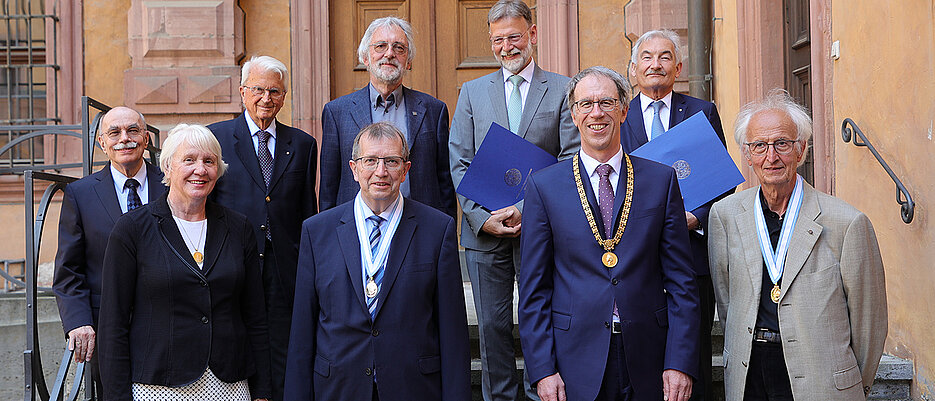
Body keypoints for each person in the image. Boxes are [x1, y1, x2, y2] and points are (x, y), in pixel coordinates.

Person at [518, 66, 700, 401]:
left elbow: (681, 283)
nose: (596, 113)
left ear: (624, 110)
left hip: (650, 356)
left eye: (606, 102)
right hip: (575, 359)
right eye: (586, 104)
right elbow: (534, 290)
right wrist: (542, 369)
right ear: (573, 115)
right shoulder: (544, 187)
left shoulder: (661, 181)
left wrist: (680, 361)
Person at [708, 90, 887, 400]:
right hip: (749, 372)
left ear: (801, 149)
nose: (771, 157)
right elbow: (727, 301)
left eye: (782, 144)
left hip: (821, 379)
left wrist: (849, 381)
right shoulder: (725, 216)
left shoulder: (847, 222)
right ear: (747, 155)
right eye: (759, 146)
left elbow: (868, 322)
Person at [448, 1, 579, 399]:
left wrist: (525, 210)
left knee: (541, 316)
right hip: (484, 234)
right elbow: (459, 160)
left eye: (515, 37)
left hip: (541, 229)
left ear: (533, 34)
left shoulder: (561, 90)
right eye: (498, 40)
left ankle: (542, 392)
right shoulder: (472, 92)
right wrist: (480, 217)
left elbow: (569, 158)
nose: (507, 47)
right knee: (491, 326)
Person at [284, 121, 470, 401]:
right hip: (338, 388)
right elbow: (302, 333)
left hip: (413, 388)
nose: (380, 172)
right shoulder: (316, 231)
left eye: (392, 161)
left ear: (406, 170)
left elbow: (453, 334)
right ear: (354, 168)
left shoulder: (437, 229)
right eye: (370, 161)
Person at [98, 123, 271, 401]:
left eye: (209, 161)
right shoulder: (132, 229)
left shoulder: (239, 228)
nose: (200, 170)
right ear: (167, 167)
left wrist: (262, 389)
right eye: (189, 160)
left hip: (229, 382)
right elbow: (113, 323)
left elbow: (255, 315)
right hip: (158, 386)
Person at [621, 29, 732, 401]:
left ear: (678, 66)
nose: (656, 64)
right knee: (641, 351)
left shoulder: (702, 112)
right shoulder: (618, 115)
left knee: (694, 349)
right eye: (647, 57)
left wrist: (696, 217)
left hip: (689, 252)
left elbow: (721, 178)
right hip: (631, 255)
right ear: (634, 68)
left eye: (665, 57)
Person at [207, 55, 318, 401]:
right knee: (241, 339)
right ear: (242, 91)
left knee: (284, 344)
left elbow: (306, 209)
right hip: (234, 260)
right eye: (258, 89)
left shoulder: (302, 144)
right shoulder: (216, 138)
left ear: (284, 97)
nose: (266, 98)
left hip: (285, 264)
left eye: (275, 91)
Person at [52, 106, 165, 397]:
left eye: (132, 131)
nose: (124, 139)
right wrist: (78, 322)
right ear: (102, 143)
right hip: (107, 326)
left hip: (168, 318)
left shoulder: (170, 183)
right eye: (114, 133)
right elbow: (68, 270)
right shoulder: (80, 193)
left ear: (146, 138)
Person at [320, 17, 455, 217]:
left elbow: (445, 183)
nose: (390, 54)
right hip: (356, 232)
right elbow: (329, 187)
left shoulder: (434, 110)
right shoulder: (337, 112)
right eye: (381, 46)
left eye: (399, 48)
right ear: (366, 58)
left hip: (420, 229)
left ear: (408, 62)